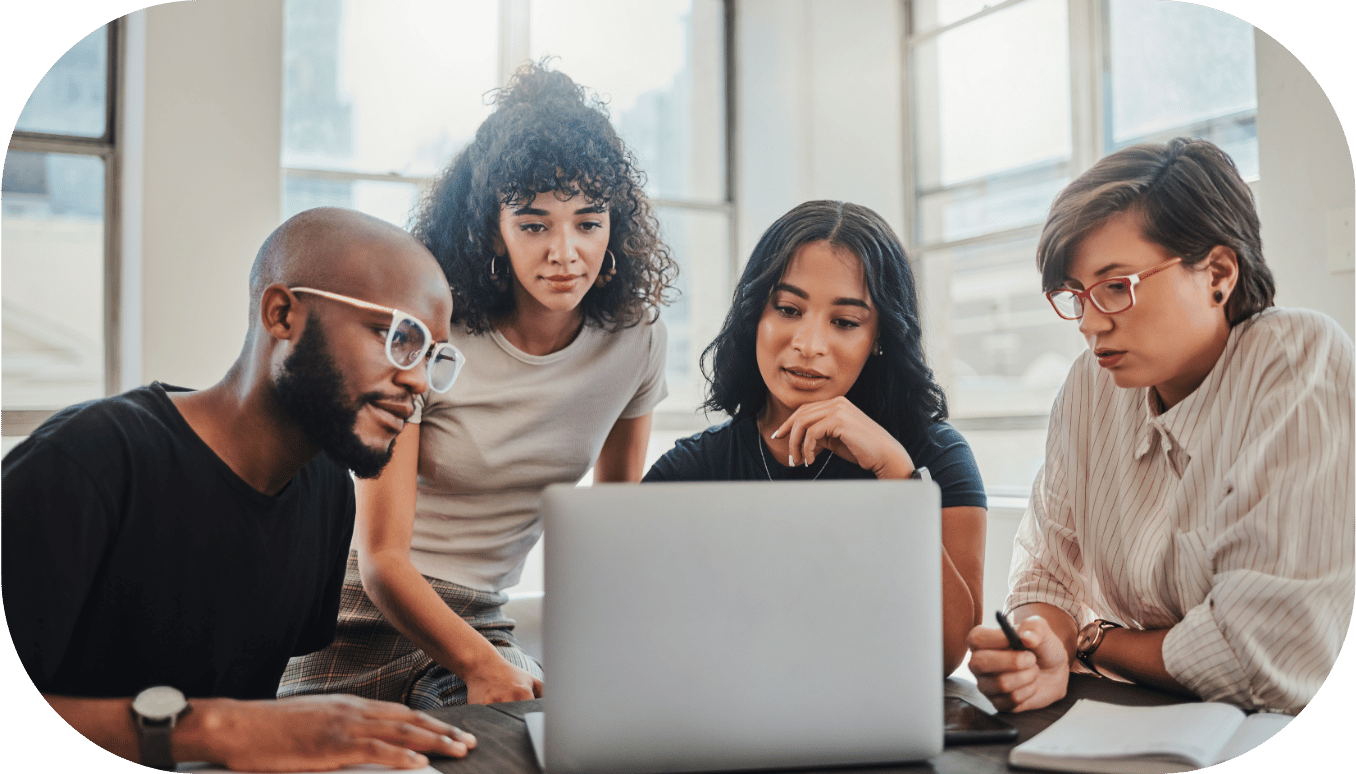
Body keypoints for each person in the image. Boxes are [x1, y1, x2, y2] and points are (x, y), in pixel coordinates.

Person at [1, 208, 478, 771]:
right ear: (281, 314)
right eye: (398, 336)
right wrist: (206, 728)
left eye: (431, 355)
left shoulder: (325, 492)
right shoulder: (84, 463)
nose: (419, 380)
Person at [278, 62, 676, 707]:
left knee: (529, 746)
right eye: (534, 223)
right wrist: (484, 667)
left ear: (616, 225)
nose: (566, 252)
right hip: (357, 616)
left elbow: (613, 532)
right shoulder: (433, 339)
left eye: (589, 221)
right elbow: (382, 559)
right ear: (492, 227)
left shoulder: (637, 343)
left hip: (481, 620)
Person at [967, 138, 1355, 714]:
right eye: (1077, 295)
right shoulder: (1091, 385)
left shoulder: (1298, 360)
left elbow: (1261, 662)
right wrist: (1039, 647)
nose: (1090, 324)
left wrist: (1094, 639)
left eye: (1117, 287)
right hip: (1144, 723)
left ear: (1218, 275)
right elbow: (1045, 577)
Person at [643, 200, 988, 675]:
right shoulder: (690, 471)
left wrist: (898, 476)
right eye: (788, 309)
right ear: (753, 316)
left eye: (845, 322)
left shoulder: (935, 455)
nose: (808, 345)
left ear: (880, 336)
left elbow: (945, 656)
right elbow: (642, 640)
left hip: (876, 726)